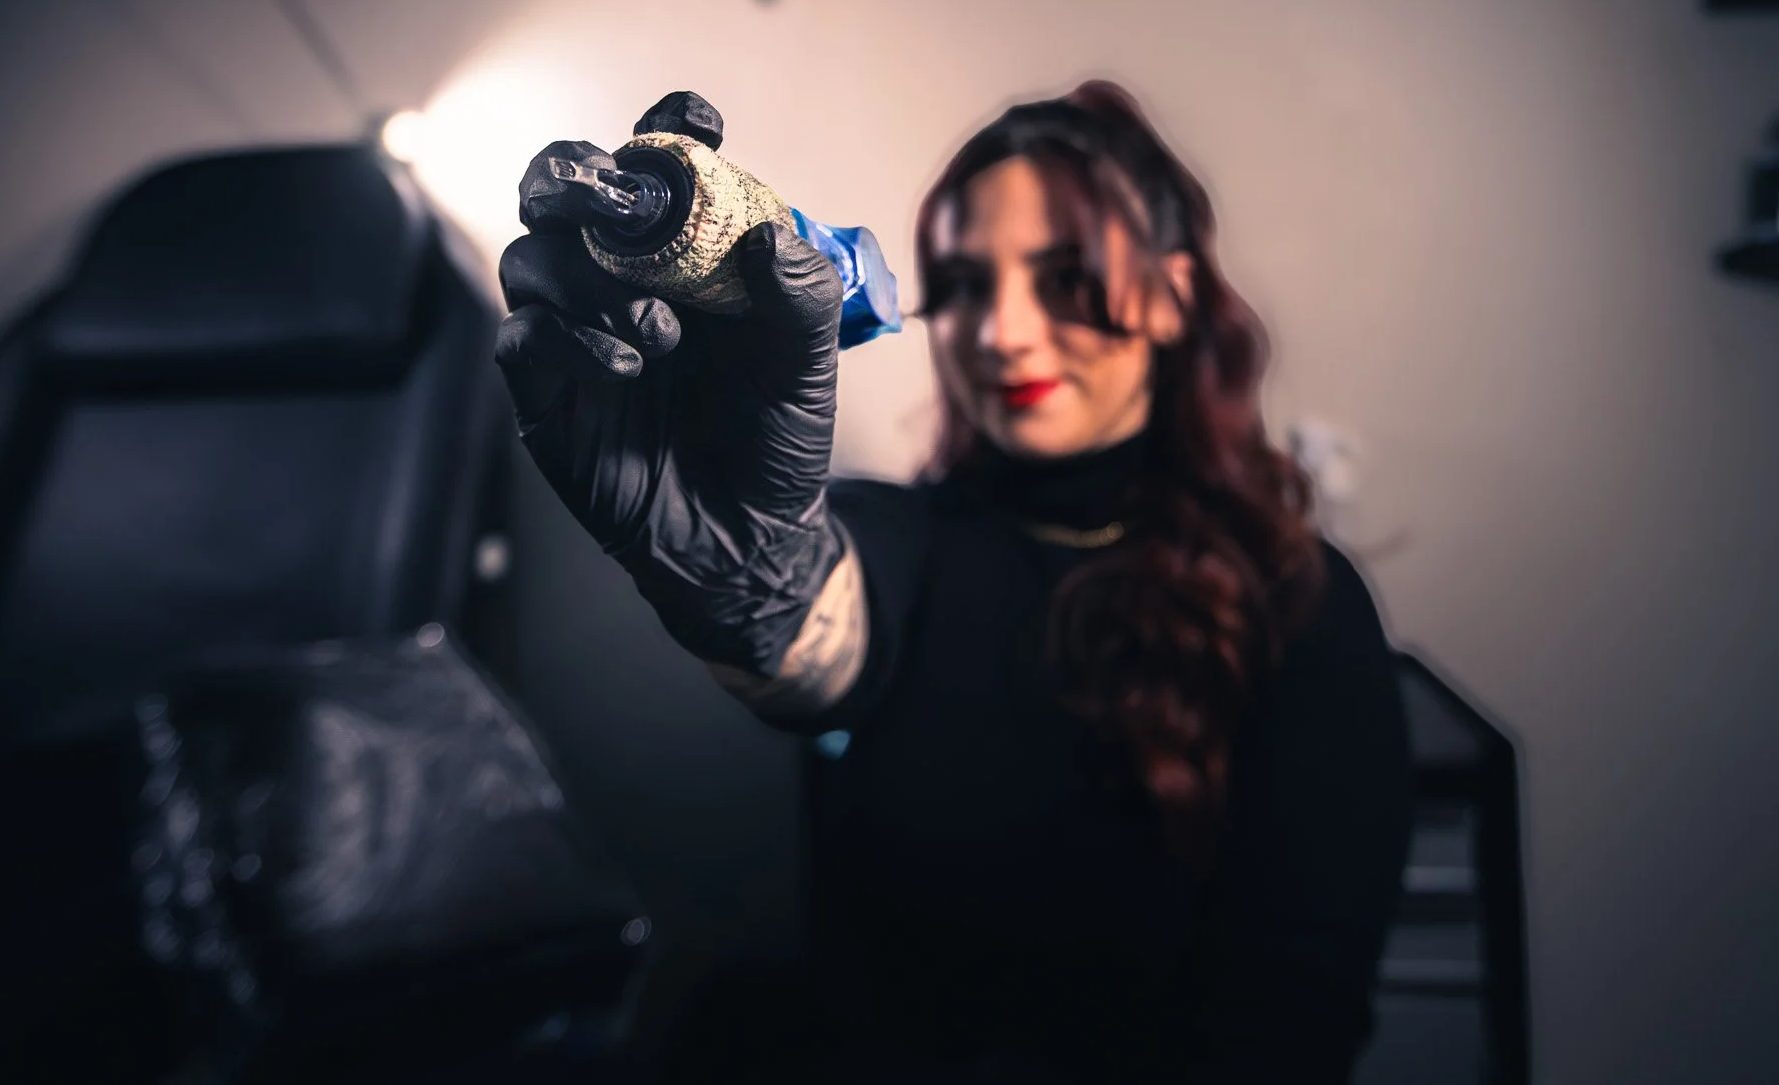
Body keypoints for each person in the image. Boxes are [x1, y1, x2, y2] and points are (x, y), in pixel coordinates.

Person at [493, 82, 1413, 1084]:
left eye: (1064, 279)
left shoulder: (1296, 603)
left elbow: (1288, 1024)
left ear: (1171, 291)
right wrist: (741, 578)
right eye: (966, 285)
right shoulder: (907, 540)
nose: (1001, 332)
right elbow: (818, 627)